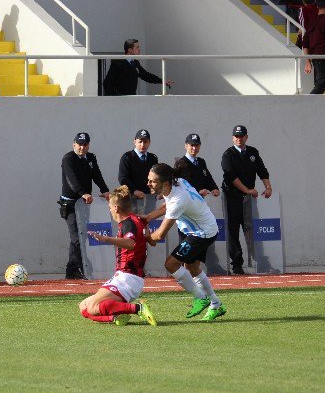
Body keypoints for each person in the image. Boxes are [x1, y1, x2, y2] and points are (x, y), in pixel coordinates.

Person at [143, 163, 226, 321]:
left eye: (152, 181)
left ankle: (201, 298)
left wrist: (144, 236)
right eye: (149, 180)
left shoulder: (178, 200)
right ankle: (216, 304)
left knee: (171, 264)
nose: (148, 183)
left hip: (201, 233)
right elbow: (167, 204)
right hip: (205, 228)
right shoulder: (178, 182)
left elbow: (159, 235)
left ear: (165, 183)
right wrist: (148, 217)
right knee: (191, 267)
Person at [79, 185, 157, 327]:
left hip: (128, 278)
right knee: (83, 307)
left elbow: (130, 243)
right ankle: (115, 317)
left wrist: (106, 239)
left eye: (110, 207)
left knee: (92, 307)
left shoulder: (129, 223)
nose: (110, 210)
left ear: (116, 208)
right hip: (127, 277)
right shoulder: (135, 220)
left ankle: (138, 309)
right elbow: (149, 241)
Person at [220, 125, 272, 275]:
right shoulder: (228, 154)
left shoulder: (253, 152)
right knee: (233, 230)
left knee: (252, 229)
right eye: (236, 136)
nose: (239, 138)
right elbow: (231, 177)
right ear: (232, 138)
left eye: (241, 136)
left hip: (249, 200)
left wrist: (268, 187)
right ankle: (237, 264)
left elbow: (262, 171)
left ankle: (260, 261)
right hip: (233, 198)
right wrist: (247, 190)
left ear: (246, 137)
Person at [59, 132, 110, 280]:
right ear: (74, 144)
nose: (82, 147)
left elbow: (97, 175)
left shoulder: (91, 158)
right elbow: (71, 179)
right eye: (79, 144)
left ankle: (74, 268)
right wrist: (83, 193)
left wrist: (105, 190)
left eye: (85, 144)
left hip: (84, 205)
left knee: (83, 238)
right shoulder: (68, 158)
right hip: (70, 204)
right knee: (77, 237)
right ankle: (76, 268)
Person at [102, 38, 173, 95]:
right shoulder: (118, 63)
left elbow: (146, 76)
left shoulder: (135, 63)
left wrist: (163, 81)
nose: (139, 49)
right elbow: (107, 83)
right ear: (130, 50)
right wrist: (115, 99)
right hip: (120, 101)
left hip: (132, 100)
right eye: (137, 47)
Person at [175, 133, 219, 199]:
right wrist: (198, 191)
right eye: (192, 145)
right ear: (186, 146)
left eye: (197, 145)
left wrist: (214, 188)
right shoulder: (181, 163)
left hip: (199, 200)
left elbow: (207, 178)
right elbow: (181, 185)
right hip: (186, 200)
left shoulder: (201, 162)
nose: (194, 148)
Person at [117, 129, 158, 199]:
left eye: (145, 142)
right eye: (140, 142)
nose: (142, 144)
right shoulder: (127, 157)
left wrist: (158, 191)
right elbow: (122, 178)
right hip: (132, 198)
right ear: (135, 142)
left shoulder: (153, 158)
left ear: (149, 142)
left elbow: (156, 177)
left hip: (149, 197)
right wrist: (134, 190)